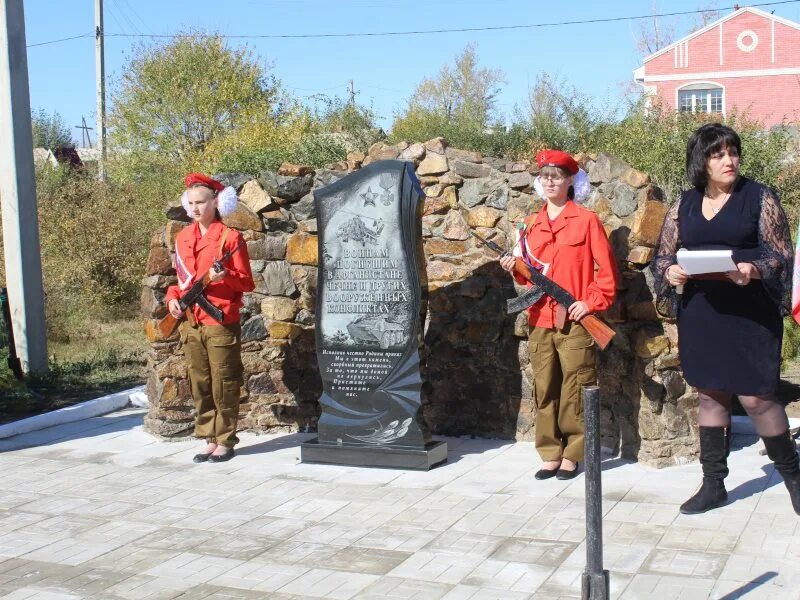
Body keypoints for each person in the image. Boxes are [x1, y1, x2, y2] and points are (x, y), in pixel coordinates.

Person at [652, 123, 799, 515]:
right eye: (718, 154)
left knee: (757, 397)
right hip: (702, 313)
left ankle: (794, 477)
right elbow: (663, 255)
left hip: (749, 313)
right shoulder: (684, 204)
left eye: (732, 152)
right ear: (702, 160)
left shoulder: (759, 197)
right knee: (710, 393)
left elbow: (781, 255)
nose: (729, 160)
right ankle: (713, 484)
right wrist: (670, 271)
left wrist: (751, 268)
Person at [500, 149, 618, 480]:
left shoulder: (587, 220)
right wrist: (514, 268)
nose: (549, 181)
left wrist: (590, 302)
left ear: (570, 181)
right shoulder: (530, 225)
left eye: (557, 176)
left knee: (575, 386)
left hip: (575, 320)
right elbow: (527, 275)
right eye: (544, 176)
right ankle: (549, 451)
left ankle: (573, 453)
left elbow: (606, 274)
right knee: (544, 386)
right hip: (540, 317)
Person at [165, 173, 255, 463]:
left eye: (201, 202)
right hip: (191, 320)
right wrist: (172, 300)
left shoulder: (230, 238)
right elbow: (178, 282)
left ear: (216, 202)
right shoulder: (182, 237)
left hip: (220, 320)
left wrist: (224, 276)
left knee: (224, 382)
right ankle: (209, 436)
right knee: (199, 381)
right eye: (190, 203)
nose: (195, 208)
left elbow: (246, 283)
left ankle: (226, 439)